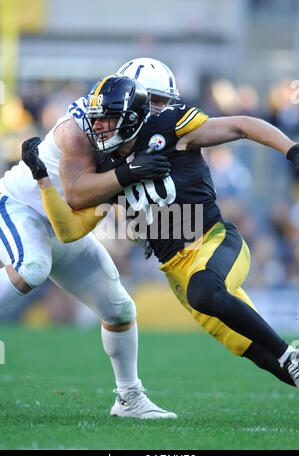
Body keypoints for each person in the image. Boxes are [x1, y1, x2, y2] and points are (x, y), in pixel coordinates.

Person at [22, 74, 299, 392]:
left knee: (208, 293)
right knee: (261, 356)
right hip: (177, 272)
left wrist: (291, 149)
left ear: (131, 119)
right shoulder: (104, 169)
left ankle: (289, 354)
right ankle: (286, 360)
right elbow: (69, 230)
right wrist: (43, 179)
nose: (97, 127)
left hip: (214, 241)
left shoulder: (168, 128)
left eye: (106, 119)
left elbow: (242, 126)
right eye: (95, 120)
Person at [0, 65, 180, 419]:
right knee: (31, 267)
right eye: (154, 100)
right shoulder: (83, 126)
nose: (161, 110)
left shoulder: (138, 135)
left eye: (164, 102)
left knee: (119, 309)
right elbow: (78, 192)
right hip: (22, 207)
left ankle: (129, 398)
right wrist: (128, 175)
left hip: (62, 223)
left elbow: (80, 222)